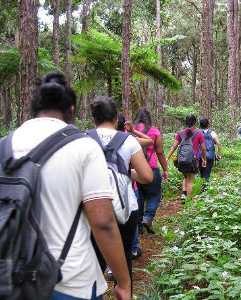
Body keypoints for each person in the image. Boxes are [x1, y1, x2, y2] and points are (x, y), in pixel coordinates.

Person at [10, 73, 131, 300]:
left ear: (33, 107)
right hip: (70, 279)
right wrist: (123, 282)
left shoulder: (5, 146)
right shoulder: (83, 147)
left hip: (12, 276)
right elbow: (103, 222)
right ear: (72, 109)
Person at [89, 97, 153, 283]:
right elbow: (147, 177)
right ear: (116, 118)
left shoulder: (83, 139)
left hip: (92, 207)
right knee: (124, 255)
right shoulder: (128, 141)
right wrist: (126, 173)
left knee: (93, 259)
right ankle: (123, 288)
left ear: (94, 118)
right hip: (125, 207)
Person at [133, 108, 169, 236]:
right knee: (155, 194)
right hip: (151, 168)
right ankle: (147, 218)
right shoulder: (154, 131)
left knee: (139, 197)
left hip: (134, 170)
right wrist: (165, 169)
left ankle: (138, 226)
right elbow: (159, 152)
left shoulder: (130, 131)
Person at [167, 114, 206, 201]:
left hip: (182, 159)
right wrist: (204, 159)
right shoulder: (199, 133)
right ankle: (188, 201)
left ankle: (183, 195)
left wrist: (167, 157)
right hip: (192, 160)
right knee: (191, 179)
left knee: (185, 177)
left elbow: (174, 146)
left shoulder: (180, 133)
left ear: (186, 122)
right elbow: (203, 148)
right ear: (195, 122)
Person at [198, 117, 222, 183]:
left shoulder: (197, 133)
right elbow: (219, 144)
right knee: (207, 174)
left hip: (200, 156)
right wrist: (218, 154)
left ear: (200, 125)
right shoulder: (212, 133)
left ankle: (201, 187)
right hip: (210, 156)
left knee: (201, 173)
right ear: (208, 124)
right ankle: (205, 188)